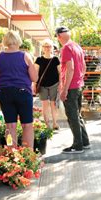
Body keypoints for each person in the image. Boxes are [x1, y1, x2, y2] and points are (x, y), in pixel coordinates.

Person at [0, 31, 38, 148]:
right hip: (23, 93)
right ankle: (28, 155)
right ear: (18, 41)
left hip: (5, 92)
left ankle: (12, 153)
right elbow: (34, 78)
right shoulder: (25, 56)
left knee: (10, 126)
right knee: (27, 125)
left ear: (5, 41)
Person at [55, 26, 90, 154]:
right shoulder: (77, 46)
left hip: (71, 87)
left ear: (59, 36)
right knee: (77, 115)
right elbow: (84, 67)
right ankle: (84, 142)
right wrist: (79, 80)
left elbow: (70, 69)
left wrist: (64, 90)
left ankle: (77, 145)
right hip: (78, 85)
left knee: (72, 117)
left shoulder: (66, 48)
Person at [34, 39, 61, 130]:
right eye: (45, 46)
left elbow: (60, 72)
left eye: (49, 46)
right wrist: (34, 84)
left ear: (52, 48)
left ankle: (55, 123)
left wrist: (61, 84)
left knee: (53, 104)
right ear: (42, 48)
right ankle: (46, 124)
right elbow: (35, 72)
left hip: (54, 84)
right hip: (42, 85)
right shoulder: (39, 59)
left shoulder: (56, 59)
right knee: (44, 105)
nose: (47, 48)